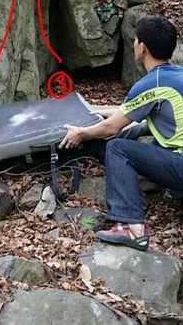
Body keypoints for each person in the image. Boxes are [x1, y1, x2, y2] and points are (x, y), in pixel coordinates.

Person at [59, 15, 183, 251]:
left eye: (136, 39)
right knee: (146, 129)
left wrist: (81, 133)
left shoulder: (151, 83)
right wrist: (117, 111)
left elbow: (111, 128)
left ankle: (131, 226)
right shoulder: (177, 74)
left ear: (142, 47)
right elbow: (161, 112)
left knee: (117, 148)